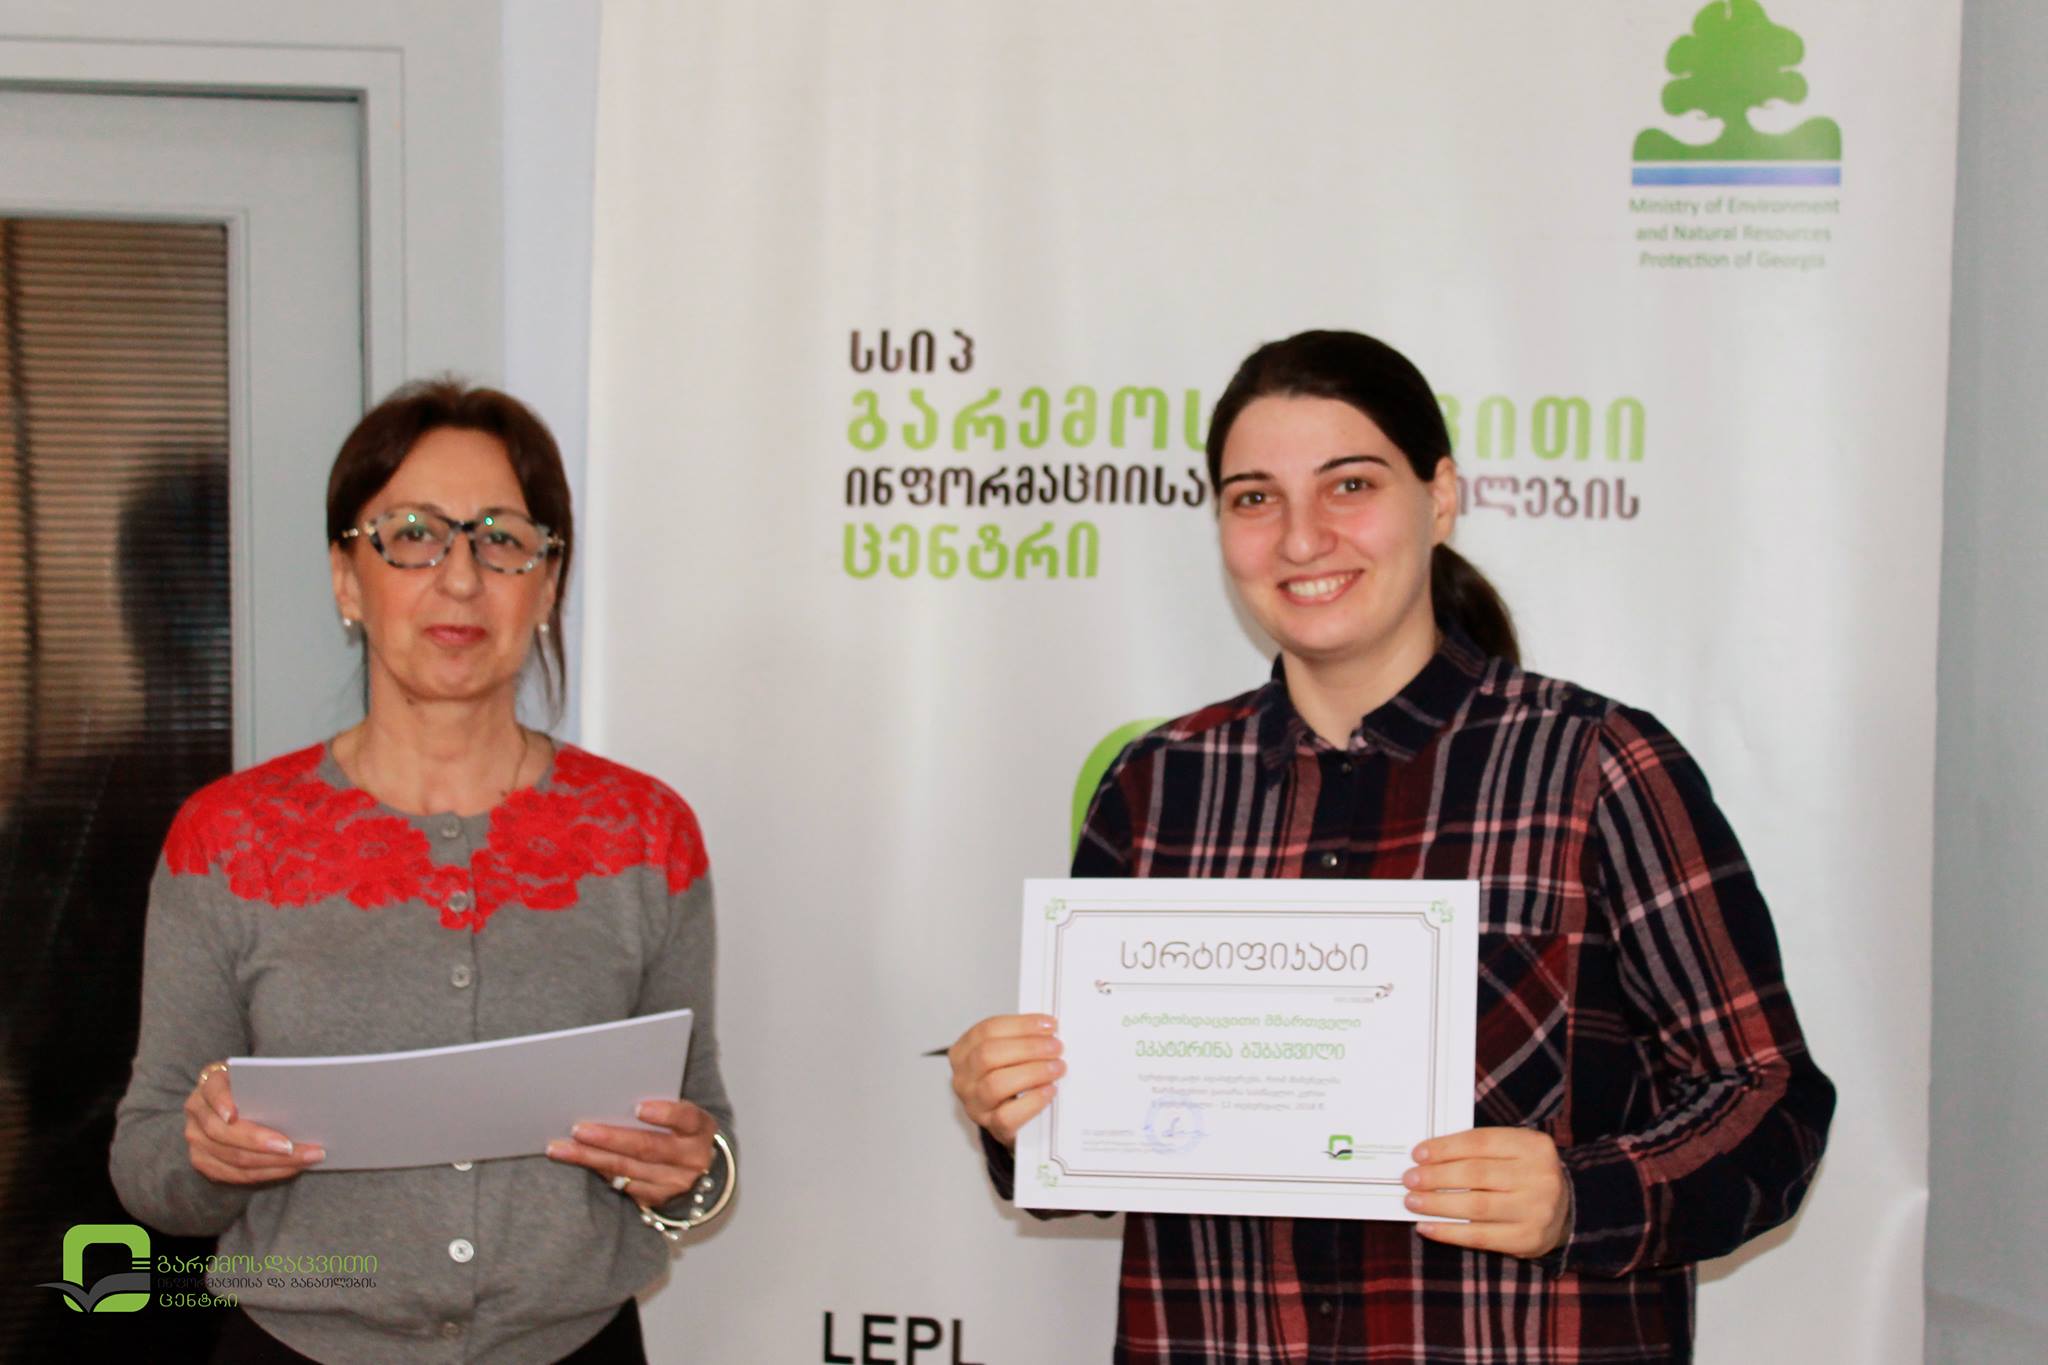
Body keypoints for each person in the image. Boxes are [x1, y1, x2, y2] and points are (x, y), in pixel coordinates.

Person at [947, 330, 1834, 1362]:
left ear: (1440, 496)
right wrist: (1020, 1111)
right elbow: (1089, 1149)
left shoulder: (1596, 765)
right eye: (1253, 497)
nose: (1301, 538)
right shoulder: (1156, 789)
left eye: (1350, 484)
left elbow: (1769, 1102)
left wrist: (1579, 1198)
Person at [110, 381, 734, 1364]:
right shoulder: (227, 838)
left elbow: (703, 1147)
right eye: (412, 535)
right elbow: (150, 1167)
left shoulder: (645, 834)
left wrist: (689, 1171)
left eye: (502, 539)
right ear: (346, 579)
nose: (460, 578)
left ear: (547, 585)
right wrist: (208, 1154)